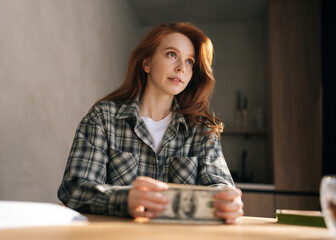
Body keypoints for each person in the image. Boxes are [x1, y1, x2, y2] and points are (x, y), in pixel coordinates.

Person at [58, 22, 244, 224]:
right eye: (172, 54)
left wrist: (228, 199)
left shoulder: (201, 130)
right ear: (146, 63)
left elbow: (219, 184)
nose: (181, 68)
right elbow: (74, 189)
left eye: (190, 61)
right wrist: (125, 199)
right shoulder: (103, 117)